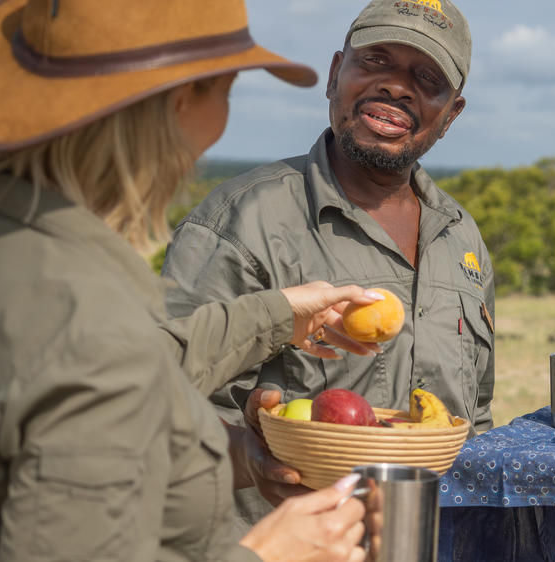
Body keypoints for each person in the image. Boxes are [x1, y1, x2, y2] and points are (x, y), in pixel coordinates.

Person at [0, 0, 376, 560]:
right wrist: (268, 554)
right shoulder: (86, 310)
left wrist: (278, 316)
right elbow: (97, 357)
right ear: (183, 100)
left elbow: (106, 369)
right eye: (226, 87)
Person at [161, 0, 495, 521]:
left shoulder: (462, 238)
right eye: (376, 61)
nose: (397, 87)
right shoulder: (238, 222)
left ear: (451, 113)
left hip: (434, 540)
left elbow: (474, 417)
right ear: (337, 72)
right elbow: (160, 402)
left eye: (426, 77)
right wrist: (251, 456)